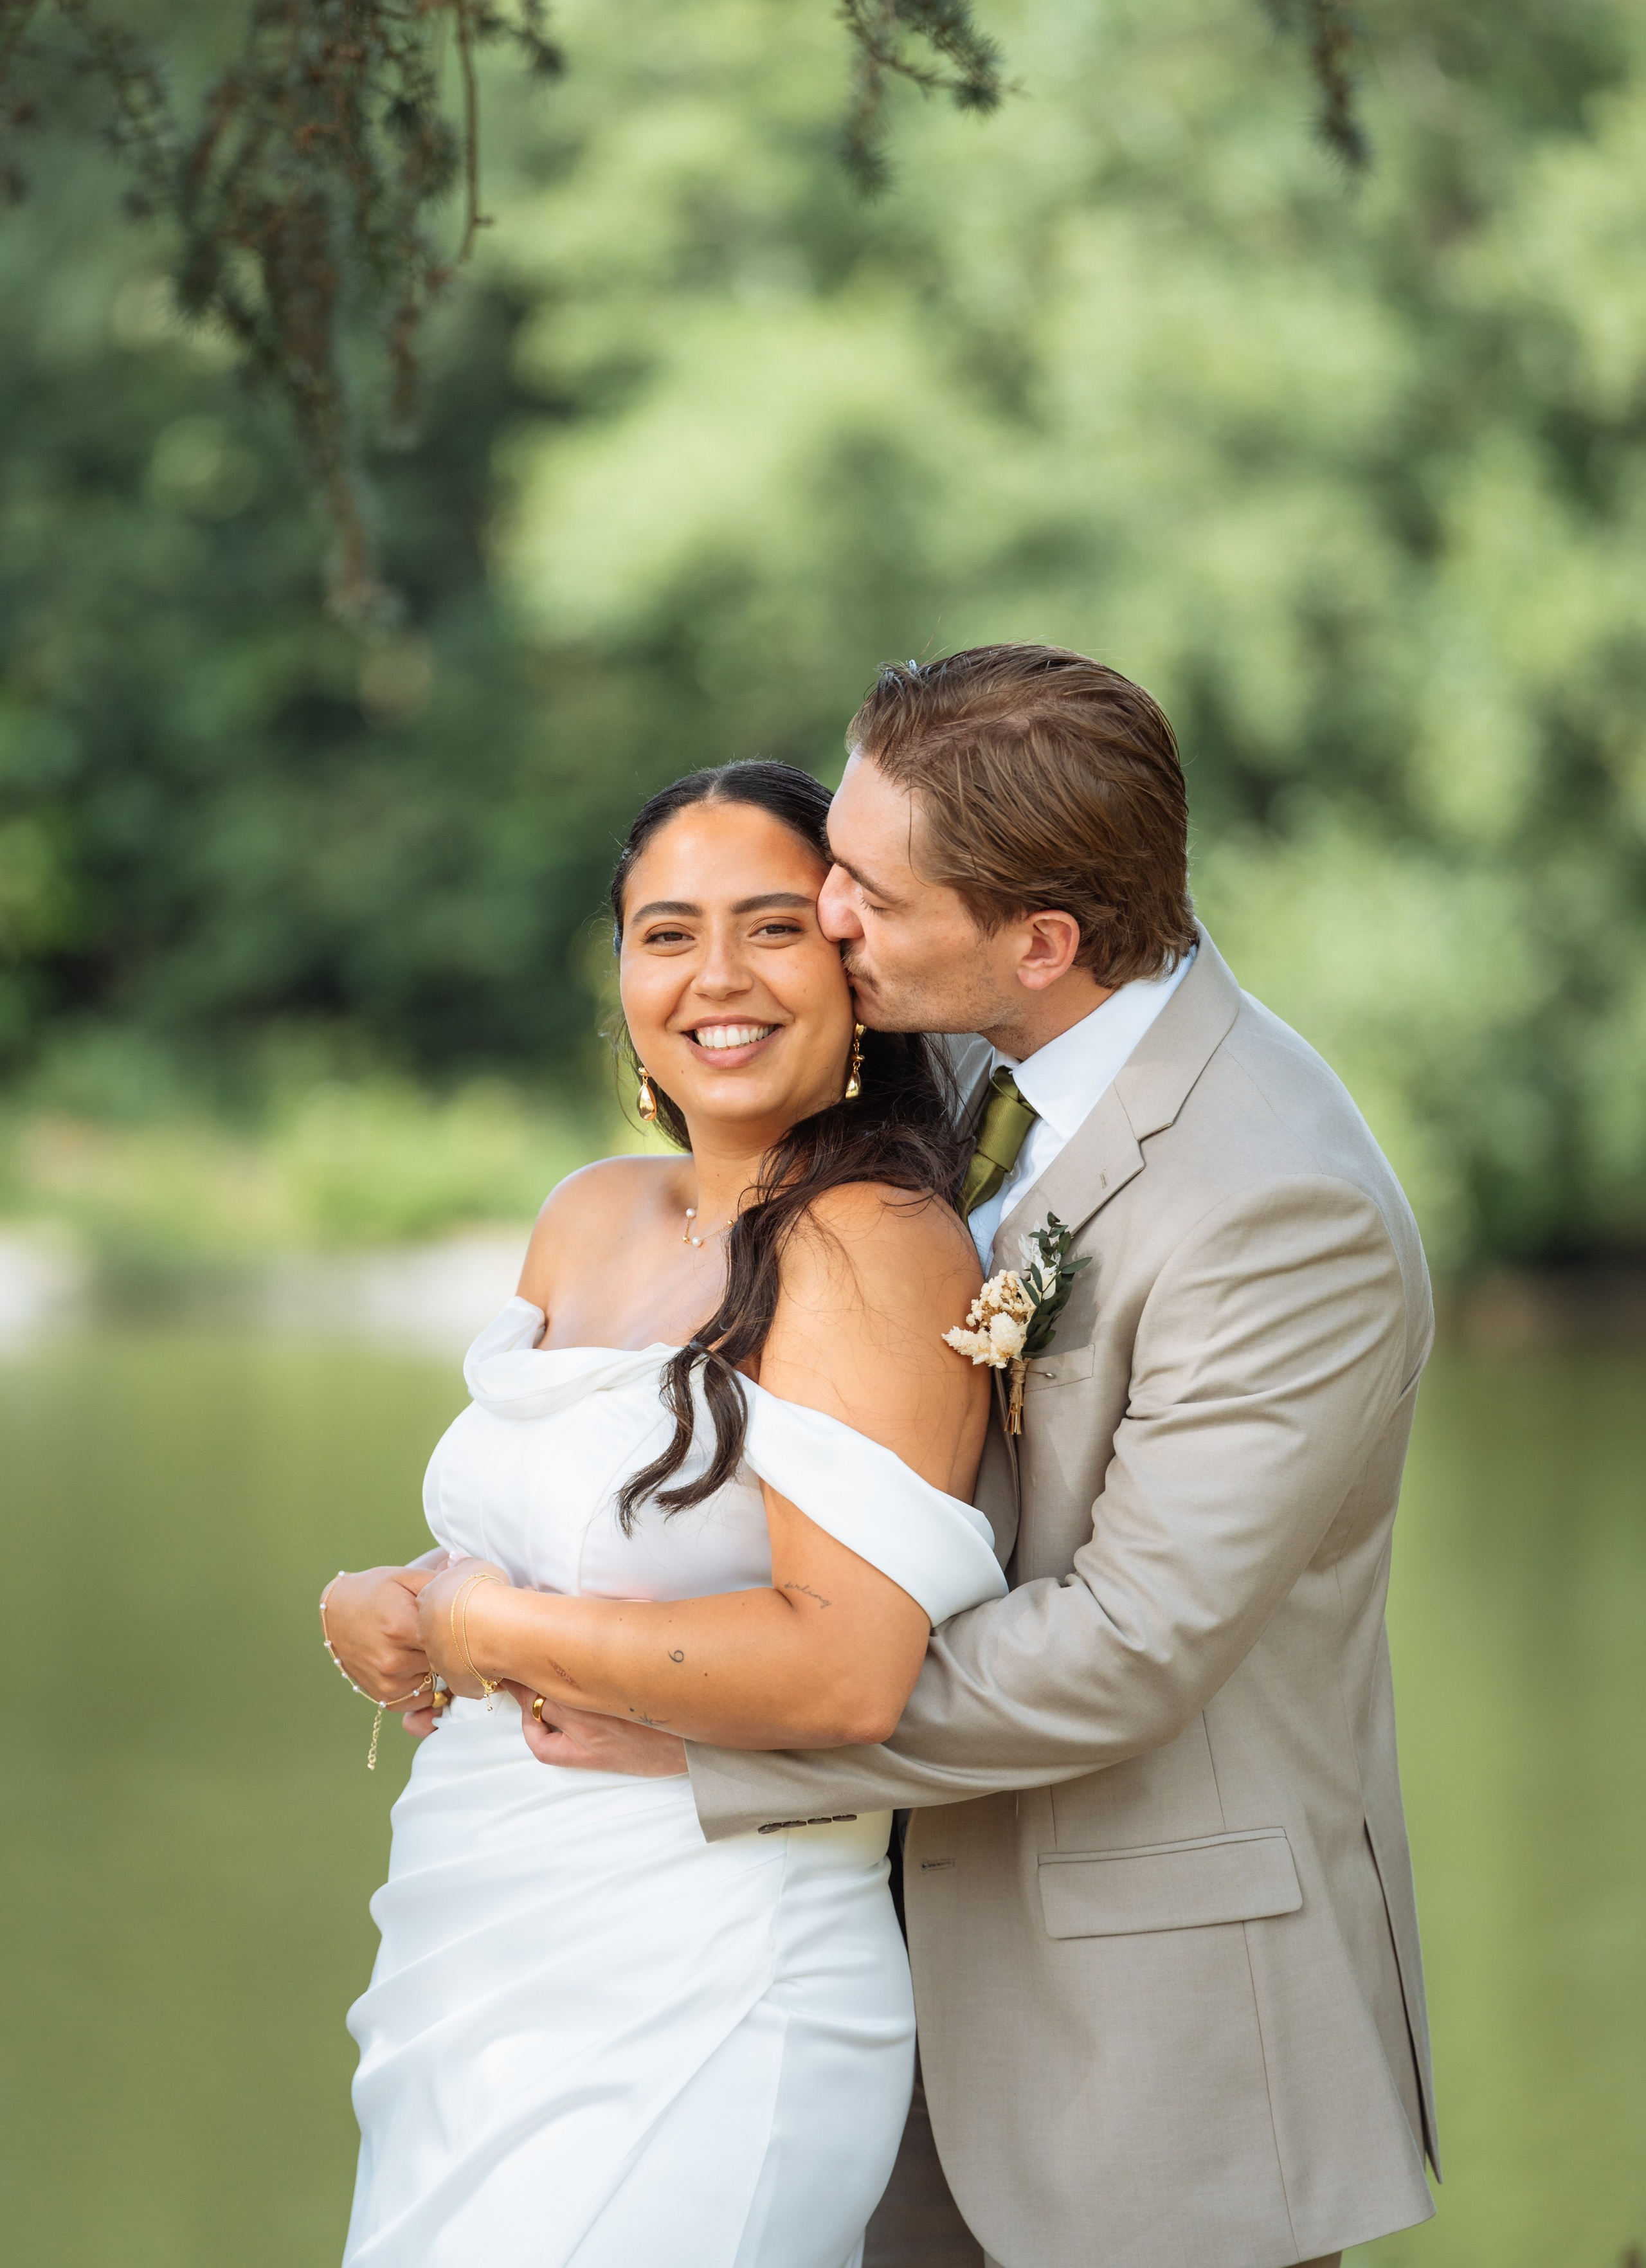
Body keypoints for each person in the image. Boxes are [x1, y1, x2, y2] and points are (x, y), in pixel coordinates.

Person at [521, 647, 1440, 2268]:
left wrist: (718, 1725)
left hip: (1146, 2054)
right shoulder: (950, 1058)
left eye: (864, 893)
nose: (827, 919)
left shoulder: (1277, 1208)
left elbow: (1126, 1646)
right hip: (863, 1985)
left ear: (1040, 940)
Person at [318, 759, 1008, 2268]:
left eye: (770, 929)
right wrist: (386, 1598)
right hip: (476, 1939)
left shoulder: (873, 1242)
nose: (716, 979)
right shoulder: (590, 1211)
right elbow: (568, 1535)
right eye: (664, 931)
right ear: (619, 965)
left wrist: (487, 1626)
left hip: (707, 1965)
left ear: (851, 956)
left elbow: (845, 1666)